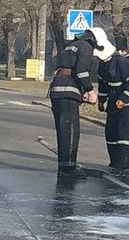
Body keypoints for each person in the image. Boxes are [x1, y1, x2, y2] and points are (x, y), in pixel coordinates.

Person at [47, 27, 110, 177]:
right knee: (71, 130)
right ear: (95, 40)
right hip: (67, 90)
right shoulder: (86, 47)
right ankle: (69, 168)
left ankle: (63, 167)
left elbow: (68, 68)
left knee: (62, 130)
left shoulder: (70, 46)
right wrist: (89, 91)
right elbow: (82, 72)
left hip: (57, 89)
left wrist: (81, 93)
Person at [97, 35, 129, 174]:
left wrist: (124, 99)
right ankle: (115, 163)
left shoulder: (122, 63)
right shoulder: (102, 66)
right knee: (111, 133)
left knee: (124, 135)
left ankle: (124, 164)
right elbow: (103, 85)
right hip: (112, 104)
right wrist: (102, 100)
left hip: (127, 106)